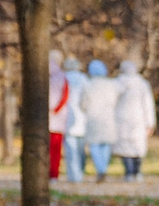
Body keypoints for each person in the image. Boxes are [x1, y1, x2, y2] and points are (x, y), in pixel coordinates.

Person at [113, 58, 157, 179]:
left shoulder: (117, 83)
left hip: (121, 118)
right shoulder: (142, 83)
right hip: (138, 119)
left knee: (125, 146)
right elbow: (148, 105)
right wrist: (150, 123)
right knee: (138, 146)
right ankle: (136, 171)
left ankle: (129, 172)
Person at [80, 58, 118, 179]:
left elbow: (83, 103)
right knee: (105, 145)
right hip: (107, 118)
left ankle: (100, 168)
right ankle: (103, 168)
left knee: (94, 145)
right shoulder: (111, 84)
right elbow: (114, 101)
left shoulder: (88, 85)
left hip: (93, 118)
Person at [47, 50, 78, 182]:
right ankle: (54, 174)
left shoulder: (45, 74)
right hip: (57, 118)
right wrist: (56, 109)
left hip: (48, 117)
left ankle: (49, 173)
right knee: (55, 149)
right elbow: (65, 96)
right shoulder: (62, 76)